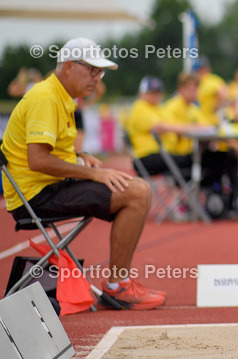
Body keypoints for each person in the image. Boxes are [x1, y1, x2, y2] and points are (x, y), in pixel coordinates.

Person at [1, 38, 165, 309]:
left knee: (138, 189)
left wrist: (78, 158)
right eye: (92, 70)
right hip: (35, 196)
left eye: (99, 72)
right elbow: (38, 160)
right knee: (137, 192)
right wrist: (92, 174)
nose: (97, 79)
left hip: (47, 187)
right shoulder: (45, 97)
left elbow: (47, 155)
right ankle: (118, 286)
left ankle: (118, 284)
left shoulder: (61, 97)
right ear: (68, 67)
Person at [162, 72, 238, 215]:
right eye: (191, 89)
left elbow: (208, 127)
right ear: (181, 89)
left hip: (193, 153)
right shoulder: (172, 107)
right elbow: (172, 130)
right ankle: (218, 197)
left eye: (196, 89)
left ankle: (231, 199)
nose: (195, 93)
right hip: (177, 156)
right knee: (221, 159)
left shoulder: (193, 108)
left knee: (228, 155)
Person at [124, 76, 194, 181]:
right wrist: (186, 129)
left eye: (158, 92)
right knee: (196, 160)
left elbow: (175, 126)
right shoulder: (139, 107)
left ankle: (205, 190)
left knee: (201, 159)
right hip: (147, 156)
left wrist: (182, 129)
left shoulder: (160, 109)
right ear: (142, 93)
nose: (156, 95)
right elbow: (159, 127)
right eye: (152, 92)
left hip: (164, 154)